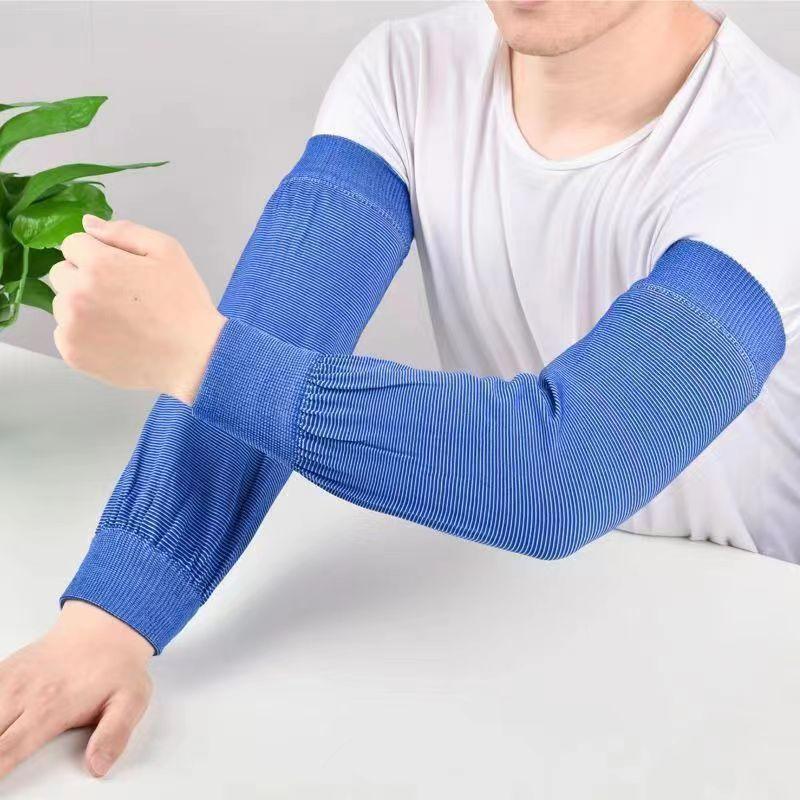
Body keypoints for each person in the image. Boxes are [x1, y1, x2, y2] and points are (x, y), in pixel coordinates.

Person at [1, 0, 799, 781]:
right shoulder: (409, 72)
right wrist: (113, 615)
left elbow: (564, 470)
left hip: (754, 637)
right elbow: (278, 335)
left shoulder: (769, 156)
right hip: (522, 616)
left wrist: (196, 352)